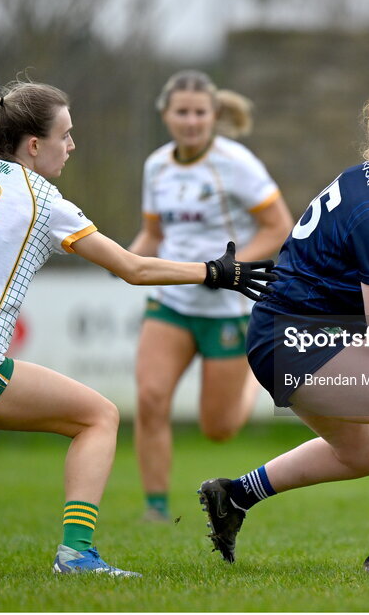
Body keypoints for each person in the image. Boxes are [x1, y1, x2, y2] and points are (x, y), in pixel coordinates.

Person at [0, 57, 275, 576]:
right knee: (98, 417)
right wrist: (213, 272)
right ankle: (77, 555)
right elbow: (131, 267)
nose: (72, 145)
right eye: (66, 134)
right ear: (33, 145)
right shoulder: (44, 200)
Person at [197, 72, 369, 575]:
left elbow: (334, 255)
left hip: (282, 333)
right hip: (297, 341)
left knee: (367, 450)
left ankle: (235, 497)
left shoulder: (365, 177)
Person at [128, 70, 293, 523]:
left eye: (200, 112)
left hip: (226, 308)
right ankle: (156, 508)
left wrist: (233, 268)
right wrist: (121, 258)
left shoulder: (236, 163)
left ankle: (249, 393)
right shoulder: (156, 165)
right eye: (182, 112)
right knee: (150, 398)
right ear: (166, 115)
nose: (191, 121)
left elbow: (279, 227)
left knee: (217, 430)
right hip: (172, 303)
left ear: (214, 115)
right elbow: (153, 233)